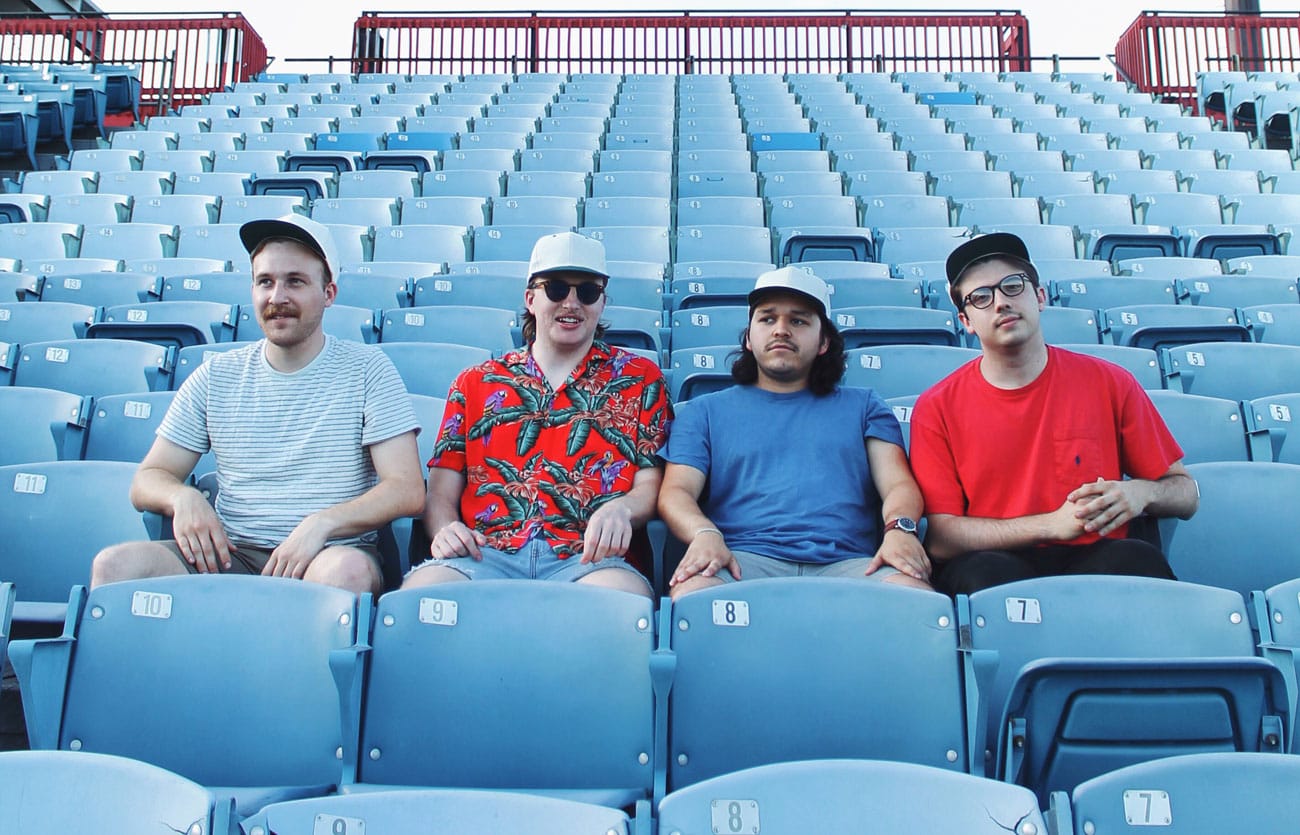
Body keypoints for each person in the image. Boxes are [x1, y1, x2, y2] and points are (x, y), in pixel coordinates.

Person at [90, 214, 424, 595]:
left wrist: (323, 524)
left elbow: (407, 489)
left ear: (328, 293)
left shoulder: (368, 370)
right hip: (231, 555)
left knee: (345, 573)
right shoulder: (215, 376)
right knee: (115, 566)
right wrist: (181, 496)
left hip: (327, 554)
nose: (277, 297)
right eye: (265, 281)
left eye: (295, 281)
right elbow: (148, 478)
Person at [908, 232, 1199, 596]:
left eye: (1013, 286)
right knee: (983, 575)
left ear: (1040, 297)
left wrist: (1141, 493)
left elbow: (1187, 495)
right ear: (966, 320)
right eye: (981, 297)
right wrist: (1050, 525)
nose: (1001, 303)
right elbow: (942, 537)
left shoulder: (1109, 382)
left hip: (1098, 554)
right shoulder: (937, 407)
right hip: (995, 559)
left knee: (1137, 559)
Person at [403, 231, 671, 596]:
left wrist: (623, 509)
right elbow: (440, 492)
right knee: (420, 594)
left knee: (621, 600)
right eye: (556, 289)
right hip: (484, 554)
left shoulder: (640, 379)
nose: (571, 303)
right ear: (530, 299)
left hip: (591, 558)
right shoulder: (474, 383)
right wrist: (445, 529)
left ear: (602, 303)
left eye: (587, 292)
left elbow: (650, 483)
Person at [657, 266, 933, 599]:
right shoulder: (703, 411)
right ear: (749, 338)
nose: (781, 330)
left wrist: (900, 529)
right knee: (694, 595)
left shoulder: (865, 406)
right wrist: (704, 533)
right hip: (739, 561)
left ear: (824, 341)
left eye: (799, 321)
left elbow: (898, 484)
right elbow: (677, 491)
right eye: (767, 319)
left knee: (916, 597)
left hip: (851, 564)